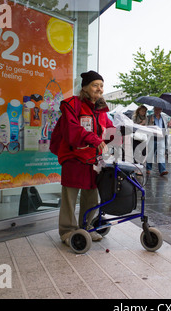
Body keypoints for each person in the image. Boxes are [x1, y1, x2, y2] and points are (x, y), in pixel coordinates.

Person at [56, 70, 114, 245]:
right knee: (70, 198)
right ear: (85, 88)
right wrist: (95, 139)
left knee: (91, 196)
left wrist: (128, 133)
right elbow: (72, 129)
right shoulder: (72, 105)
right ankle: (67, 232)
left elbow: (110, 130)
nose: (99, 89)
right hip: (74, 159)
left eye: (101, 85)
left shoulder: (101, 110)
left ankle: (86, 228)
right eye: (95, 85)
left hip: (93, 161)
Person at [146, 106, 169, 176]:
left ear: (161, 110)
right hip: (152, 138)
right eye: (156, 109)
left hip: (161, 138)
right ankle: (148, 168)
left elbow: (165, 127)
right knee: (150, 154)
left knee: (161, 154)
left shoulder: (164, 117)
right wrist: (151, 122)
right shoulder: (149, 117)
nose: (157, 111)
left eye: (159, 109)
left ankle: (162, 170)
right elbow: (146, 127)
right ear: (154, 109)